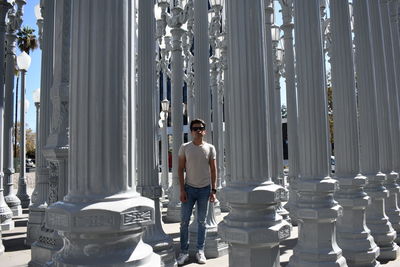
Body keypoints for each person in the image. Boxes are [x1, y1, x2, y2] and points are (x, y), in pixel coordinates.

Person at [176, 118, 217, 265]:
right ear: (191, 131)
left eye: (200, 128)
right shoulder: (185, 147)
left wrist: (213, 190)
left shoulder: (210, 148)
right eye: (195, 129)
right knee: (184, 222)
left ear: (204, 131)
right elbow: (180, 169)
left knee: (202, 222)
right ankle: (184, 252)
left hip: (205, 190)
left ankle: (200, 251)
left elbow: (213, 169)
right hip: (189, 189)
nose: (198, 131)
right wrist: (182, 189)